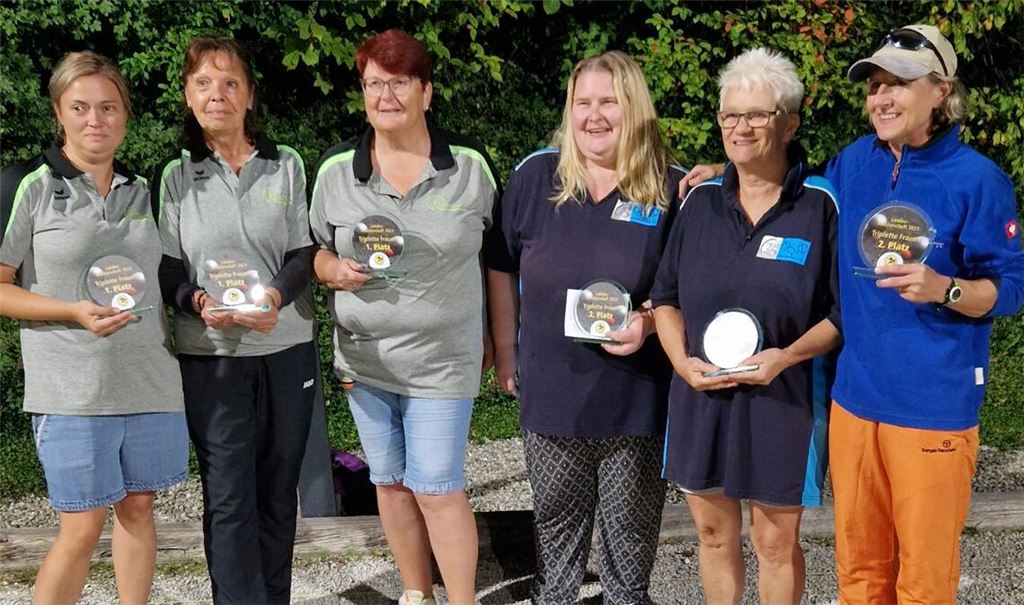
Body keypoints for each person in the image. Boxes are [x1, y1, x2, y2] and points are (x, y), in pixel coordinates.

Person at [826, 25, 1023, 604]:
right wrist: (724, 174)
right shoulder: (851, 163)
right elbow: (788, 197)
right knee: (859, 576)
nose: (880, 99)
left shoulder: (979, 180)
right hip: (854, 402)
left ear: (940, 91)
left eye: (899, 84)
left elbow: (1010, 289)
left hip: (932, 407)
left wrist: (946, 289)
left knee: (923, 583)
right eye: (874, 86)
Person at [309, 29, 499, 605]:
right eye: (373, 84)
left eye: (399, 83)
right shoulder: (336, 171)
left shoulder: (469, 167)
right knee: (389, 485)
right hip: (365, 362)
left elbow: (500, 260)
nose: (385, 95)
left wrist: (502, 339)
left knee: (438, 488)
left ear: (426, 92)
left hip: (443, 362)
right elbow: (310, 250)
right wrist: (331, 270)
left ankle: (461, 600)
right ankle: (415, 594)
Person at [487, 51, 682, 604]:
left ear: (634, 108)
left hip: (636, 400)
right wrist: (506, 349)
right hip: (551, 394)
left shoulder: (671, 189)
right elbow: (500, 264)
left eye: (608, 102)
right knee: (556, 548)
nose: (594, 116)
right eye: (583, 102)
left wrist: (645, 323)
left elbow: (686, 290)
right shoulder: (535, 177)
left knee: (629, 555)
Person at [649, 48, 840, 605]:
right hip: (701, 394)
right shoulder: (699, 201)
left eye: (756, 115)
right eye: (730, 115)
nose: (740, 127)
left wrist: (784, 358)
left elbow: (839, 315)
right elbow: (664, 298)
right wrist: (683, 364)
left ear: (789, 122)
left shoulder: (820, 204)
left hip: (784, 398)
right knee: (712, 534)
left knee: (775, 543)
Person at [0, 51, 187, 605]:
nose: (95, 120)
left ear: (125, 114)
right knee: (80, 528)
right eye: (80, 107)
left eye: (108, 107)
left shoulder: (142, 191)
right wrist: (71, 310)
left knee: (137, 509)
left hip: (150, 382)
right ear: (59, 112)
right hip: (73, 391)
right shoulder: (25, 185)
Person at [154, 37, 317, 604]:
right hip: (212, 357)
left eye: (229, 83)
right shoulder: (174, 174)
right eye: (203, 83)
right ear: (188, 96)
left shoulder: (287, 163)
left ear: (249, 95)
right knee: (227, 496)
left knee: (277, 492)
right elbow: (168, 267)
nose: (216, 94)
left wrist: (273, 296)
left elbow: (303, 255)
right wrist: (198, 302)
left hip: (286, 346)